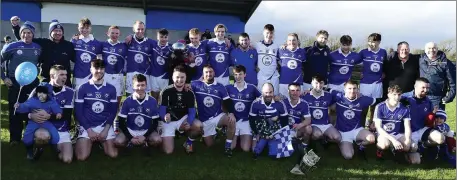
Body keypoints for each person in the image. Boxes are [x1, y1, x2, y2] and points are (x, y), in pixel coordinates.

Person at [1, 22, 41, 145]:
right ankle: (15, 138)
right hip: (15, 82)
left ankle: (30, 136)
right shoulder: (12, 46)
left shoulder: (37, 48)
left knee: (32, 108)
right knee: (15, 109)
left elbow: (39, 63)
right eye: (24, 32)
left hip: (32, 82)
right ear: (20, 33)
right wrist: (4, 77)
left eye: (29, 32)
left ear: (33, 34)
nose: (26, 35)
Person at [29, 65, 75, 163]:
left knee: (67, 159)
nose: (65, 77)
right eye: (61, 74)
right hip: (43, 127)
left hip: (61, 128)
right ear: (52, 76)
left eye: (66, 75)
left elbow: (66, 116)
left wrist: (49, 116)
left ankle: (54, 146)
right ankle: (38, 147)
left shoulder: (70, 92)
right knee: (42, 136)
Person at [74, 59, 118, 160]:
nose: (99, 71)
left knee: (113, 154)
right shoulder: (82, 87)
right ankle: (81, 140)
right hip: (87, 126)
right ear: (91, 69)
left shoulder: (111, 88)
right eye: (96, 68)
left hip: (104, 126)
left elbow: (113, 111)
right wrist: (89, 130)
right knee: (81, 157)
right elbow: (78, 112)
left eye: (102, 68)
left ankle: (99, 141)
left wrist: (105, 130)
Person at [12, 17, 75, 87]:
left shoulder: (69, 45)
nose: (58, 33)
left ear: (62, 33)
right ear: (50, 32)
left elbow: (76, 59)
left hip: (64, 82)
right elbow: (25, 38)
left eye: (60, 31)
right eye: (55, 30)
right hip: (47, 81)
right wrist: (15, 27)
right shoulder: (43, 43)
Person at [190, 64, 236, 157]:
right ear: (203, 74)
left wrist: (231, 113)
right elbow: (185, 88)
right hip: (204, 120)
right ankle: (212, 135)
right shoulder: (195, 85)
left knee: (231, 120)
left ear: (214, 73)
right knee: (210, 145)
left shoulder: (220, 86)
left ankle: (227, 147)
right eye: (206, 72)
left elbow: (227, 101)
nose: (208, 74)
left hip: (217, 116)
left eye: (210, 72)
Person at [400, 77, 445, 164]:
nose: (426, 90)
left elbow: (430, 118)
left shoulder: (428, 101)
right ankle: (406, 150)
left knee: (440, 139)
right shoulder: (404, 98)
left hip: (421, 129)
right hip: (407, 132)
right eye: (423, 88)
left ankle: (422, 146)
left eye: (427, 88)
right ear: (415, 87)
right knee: (415, 162)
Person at [114, 74, 161, 154]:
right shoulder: (127, 101)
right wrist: (130, 137)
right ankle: (129, 142)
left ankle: (145, 143)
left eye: (142, 85)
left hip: (145, 130)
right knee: (118, 142)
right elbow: (121, 122)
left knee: (158, 140)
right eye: (137, 85)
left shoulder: (152, 101)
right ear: (133, 86)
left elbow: (155, 122)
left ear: (146, 86)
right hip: (131, 130)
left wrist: (145, 136)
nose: (140, 88)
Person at [330, 80, 376, 160]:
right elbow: (325, 90)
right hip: (343, 132)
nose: (352, 91)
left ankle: (361, 148)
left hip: (356, 130)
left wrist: (374, 121)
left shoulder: (363, 99)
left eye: (354, 88)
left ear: (358, 89)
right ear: (344, 89)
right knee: (348, 156)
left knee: (371, 139)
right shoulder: (338, 96)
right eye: (349, 88)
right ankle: (341, 143)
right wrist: (308, 91)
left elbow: (378, 102)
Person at [15, 85, 62, 160]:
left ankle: (54, 147)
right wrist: (19, 106)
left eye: (44, 93)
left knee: (54, 133)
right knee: (27, 135)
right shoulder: (32, 100)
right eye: (39, 92)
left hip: (46, 122)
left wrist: (58, 113)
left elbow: (56, 108)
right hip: (33, 122)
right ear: (36, 93)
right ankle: (29, 150)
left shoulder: (51, 101)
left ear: (48, 94)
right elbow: (25, 106)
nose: (41, 95)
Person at [158, 66, 198, 154]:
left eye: (182, 77)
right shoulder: (166, 91)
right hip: (168, 122)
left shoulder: (189, 92)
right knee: (168, 151)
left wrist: (189, 122)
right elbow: (161, 110)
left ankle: (188, 143)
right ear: (172, 77)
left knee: (198, 126)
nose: (179, 80)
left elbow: (192, 111)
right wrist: (164, 116)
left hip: (182, 120)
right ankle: (161, 137)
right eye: (177, 77)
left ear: (185, 78)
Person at [225, 65, 261, 152]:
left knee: (245, 149)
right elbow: (223, 103)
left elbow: (262, 98)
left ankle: (250, 136)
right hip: (234, 121)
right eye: (235, 74)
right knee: (231, 147)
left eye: (240, 74)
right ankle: (235, 137)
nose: (238, 77)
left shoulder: (252, 87)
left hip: (246, 121)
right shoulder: (228, 88)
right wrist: (228, 113)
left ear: (245, 75)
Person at [373, 84, 414, 162]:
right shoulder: (380, 107)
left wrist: (408, 140)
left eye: (399, 94)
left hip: (397, 133)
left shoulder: (404, 108)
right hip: (383, 133)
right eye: (394, 94)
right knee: (384, 144)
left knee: (410, 146)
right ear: (389, 95)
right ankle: (380, 152)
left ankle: (396, 153)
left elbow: (407, 127)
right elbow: (378, 127)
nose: (397, 97)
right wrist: (393, 140)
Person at [250, 83, 288, 159]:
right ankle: (260, 146)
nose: (268, 95)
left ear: (274, 92)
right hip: (261, 130)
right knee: (254, 150)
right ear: (262, 92)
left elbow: (285, 120)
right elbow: (251, 119)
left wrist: (280, 135)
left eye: (270, 92)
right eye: (266, 92)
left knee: (274, 155)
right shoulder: (256, 103)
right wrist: (256, 133)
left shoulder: (280, 103)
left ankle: (271, 146)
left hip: (275, 131)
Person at [359, 33, 388, 127]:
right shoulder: (363, 52)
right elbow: (353, 64)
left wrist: (384, 73)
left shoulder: (383, 52)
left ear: (379, 42)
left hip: (377, 84)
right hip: (365, 84)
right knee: (364, 107)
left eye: (373, 42)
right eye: (369, 42)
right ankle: (360, 127)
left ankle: (372, 127)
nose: (371, 44)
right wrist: (357, 74)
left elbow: (385, 66)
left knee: (375, 107)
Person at [283, 83, 313, 175]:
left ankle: (303, 147)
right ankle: (294, 143)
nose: (295, 93)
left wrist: (300, 125)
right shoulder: (283, 102)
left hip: (297, 129)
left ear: (300, 92)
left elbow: (308, 119)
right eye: (292, 90)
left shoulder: (304, 103)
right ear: (288, 91)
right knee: (286, 153)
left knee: (308, 129)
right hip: (285, 131)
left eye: (297, 90)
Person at [419, 42, 456, 110]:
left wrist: (450, 96)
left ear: (437, 49)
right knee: (421, 119)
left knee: (437, 120)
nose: (431, 50)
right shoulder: (420, 60)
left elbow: (453, 82)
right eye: (429, 48)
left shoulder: (445, 63)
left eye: (434, 48)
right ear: (425, 50)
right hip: (421, 96)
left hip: (437, 98)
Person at [124, 21, 155, 96]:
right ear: (134, 29)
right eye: (138, 29)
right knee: (130, 97)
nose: (140, 31)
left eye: (142, 29)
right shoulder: (128, 41)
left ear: (145, 29)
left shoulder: (151, 43)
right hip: (131, 74)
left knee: (144, 98)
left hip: (144, 74)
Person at [72, 18, 102, 89]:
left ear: (90, 28)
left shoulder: (96, 43)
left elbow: (99, 60)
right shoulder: (74, 41)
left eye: (87, 28)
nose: (84, 30)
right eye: (82, 28)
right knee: (76, 97)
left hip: (91, 75)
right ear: (78, 28)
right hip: (77, 75)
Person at [101, 25, 128, 106]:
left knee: (116, 102)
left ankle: (115, 118)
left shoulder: (124, 46)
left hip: (118, 76)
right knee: (104, 100)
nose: (114, 35)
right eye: (112, 33)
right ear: (107, 33)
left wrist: (131, 36)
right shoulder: (102, 45)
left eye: (117, 33)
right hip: (105, 75)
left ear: (120, 34)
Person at [278, 33, 306, 98]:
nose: (291, 42)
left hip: (298, 84)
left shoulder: (302, 52)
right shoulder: (281, 50)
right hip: (284, 83)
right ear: (287, 42)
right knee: (283, 104)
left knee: (297, 104)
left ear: (297, 41)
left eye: (294, 40)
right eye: (289, 40)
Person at [255, 24, 280, 95]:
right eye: (267, 33)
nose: (269, 35)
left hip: (273, 77)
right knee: (260, 98)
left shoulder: (277, 46)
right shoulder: (257, 45)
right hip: (261, 77)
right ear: (263, 32)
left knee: (274, 98)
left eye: (271, 33)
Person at [150, 28, 173, 99]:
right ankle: (155, 110)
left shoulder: (171, 48)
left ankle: (163, 110)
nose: (163, 39)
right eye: (161, 37)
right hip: (153, 75)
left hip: (165, 76)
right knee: (154, 97)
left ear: (168, 37)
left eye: (165, 37)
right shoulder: (153, 45)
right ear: (157, 37)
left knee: (164, 98)